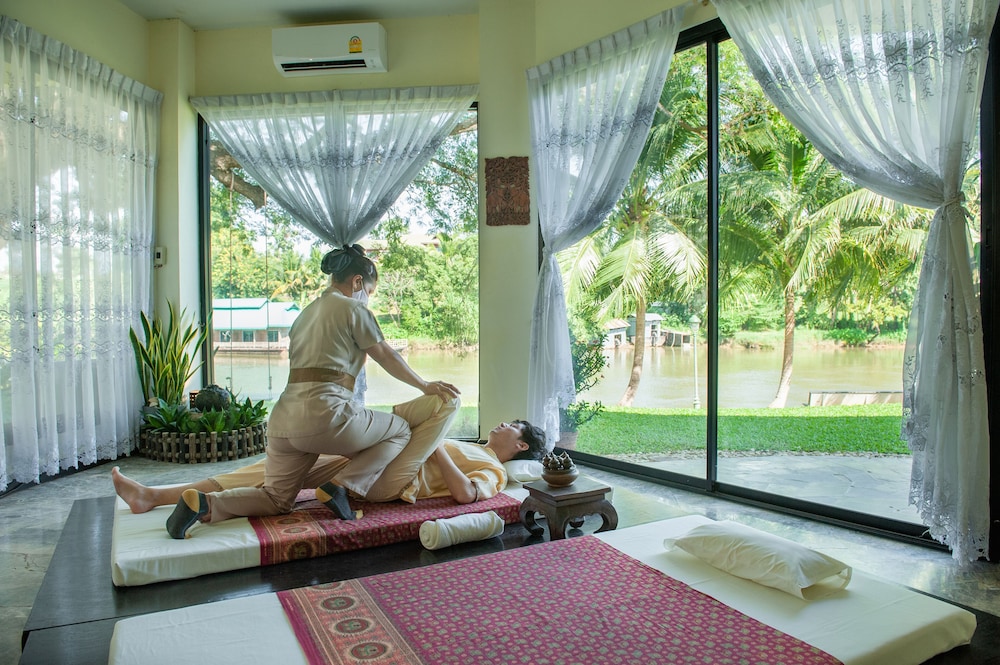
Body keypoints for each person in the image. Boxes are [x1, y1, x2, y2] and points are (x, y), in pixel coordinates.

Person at [166, 244, 461, 539]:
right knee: (400, 430)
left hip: (282, 422)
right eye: (369, 291)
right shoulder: (353, 309)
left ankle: (204, 503)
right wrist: (424, 385)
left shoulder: (304, 315)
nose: (367, 298)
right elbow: (385, 354)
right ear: (357, 281)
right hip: (325, 417)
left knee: (276, 498)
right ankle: (341, 487)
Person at [113, 420, 546, 521]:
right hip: (373, 460)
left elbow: (466, 495)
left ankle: (175, 501)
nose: (501, 424)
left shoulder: (494, 468)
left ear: (521, 446)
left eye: (512, 425)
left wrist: (433, 446)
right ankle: (153, 496)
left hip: (388, 478)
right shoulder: (472, 445)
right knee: (275, 468)